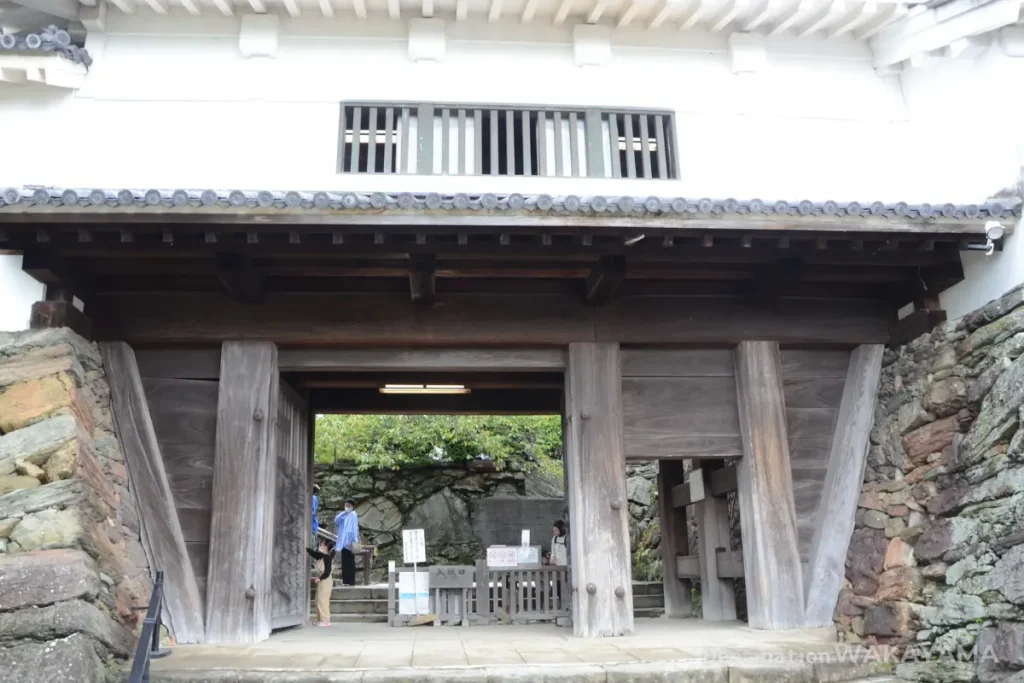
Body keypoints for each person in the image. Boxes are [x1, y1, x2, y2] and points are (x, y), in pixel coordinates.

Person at [306, 539, 335, 627]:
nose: (321, 545)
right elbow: (314, 554)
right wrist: (306, 549)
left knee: (323, 600)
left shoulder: (327, 557)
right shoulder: (322, 556)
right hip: (322, 579)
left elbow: (327, 571)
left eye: (322, 544)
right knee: (317, 600)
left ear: (326, 547)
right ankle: (320, 619)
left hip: (326, 580)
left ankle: (325, 620)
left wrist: (320, 578)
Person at [334, 498, 360, 587]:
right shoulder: (343, 515)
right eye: (346, 505)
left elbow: (353, 529)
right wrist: (343, 513)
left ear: (352, 507)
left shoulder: (353, 515)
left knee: (350, 562)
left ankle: (351, 581)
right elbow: (336, 521)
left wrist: (353, 540)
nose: (347, 507)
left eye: (348, 506)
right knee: (344, 561)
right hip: (343, 542)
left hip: (350, 542)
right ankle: (345, 581)